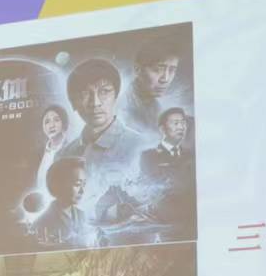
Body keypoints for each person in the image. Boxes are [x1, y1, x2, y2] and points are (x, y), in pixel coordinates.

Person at [57, 59, 145, 190]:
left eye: (104, 92)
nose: (95, 103)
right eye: (85, 93)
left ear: (116, 97)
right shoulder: (64, 155)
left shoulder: (140, 147)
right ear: (73, 103)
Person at [122, 36, 189, 138]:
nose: (165, 79)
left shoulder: (156, 108)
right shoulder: (123, 106)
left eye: (172, 70)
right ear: (138, 70)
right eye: (158, 69)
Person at [32, 157, 101, 249]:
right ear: (59, 184)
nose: (82, 191)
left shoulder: (82, 215)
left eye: (83, 185)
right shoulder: (42, 223)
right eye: (77, 184)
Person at [139, 108, 194, 183]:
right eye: (175, 123)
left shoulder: (189, 155)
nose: (181, 127)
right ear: (162, 129)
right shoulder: (149, 156)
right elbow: (148, 184)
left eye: (183, 123)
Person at [34, 103, 71, 189]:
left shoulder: (71, 149)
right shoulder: (39, 154)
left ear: (64, 123)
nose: (51, 125)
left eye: (56, 120)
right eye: (47, 122)